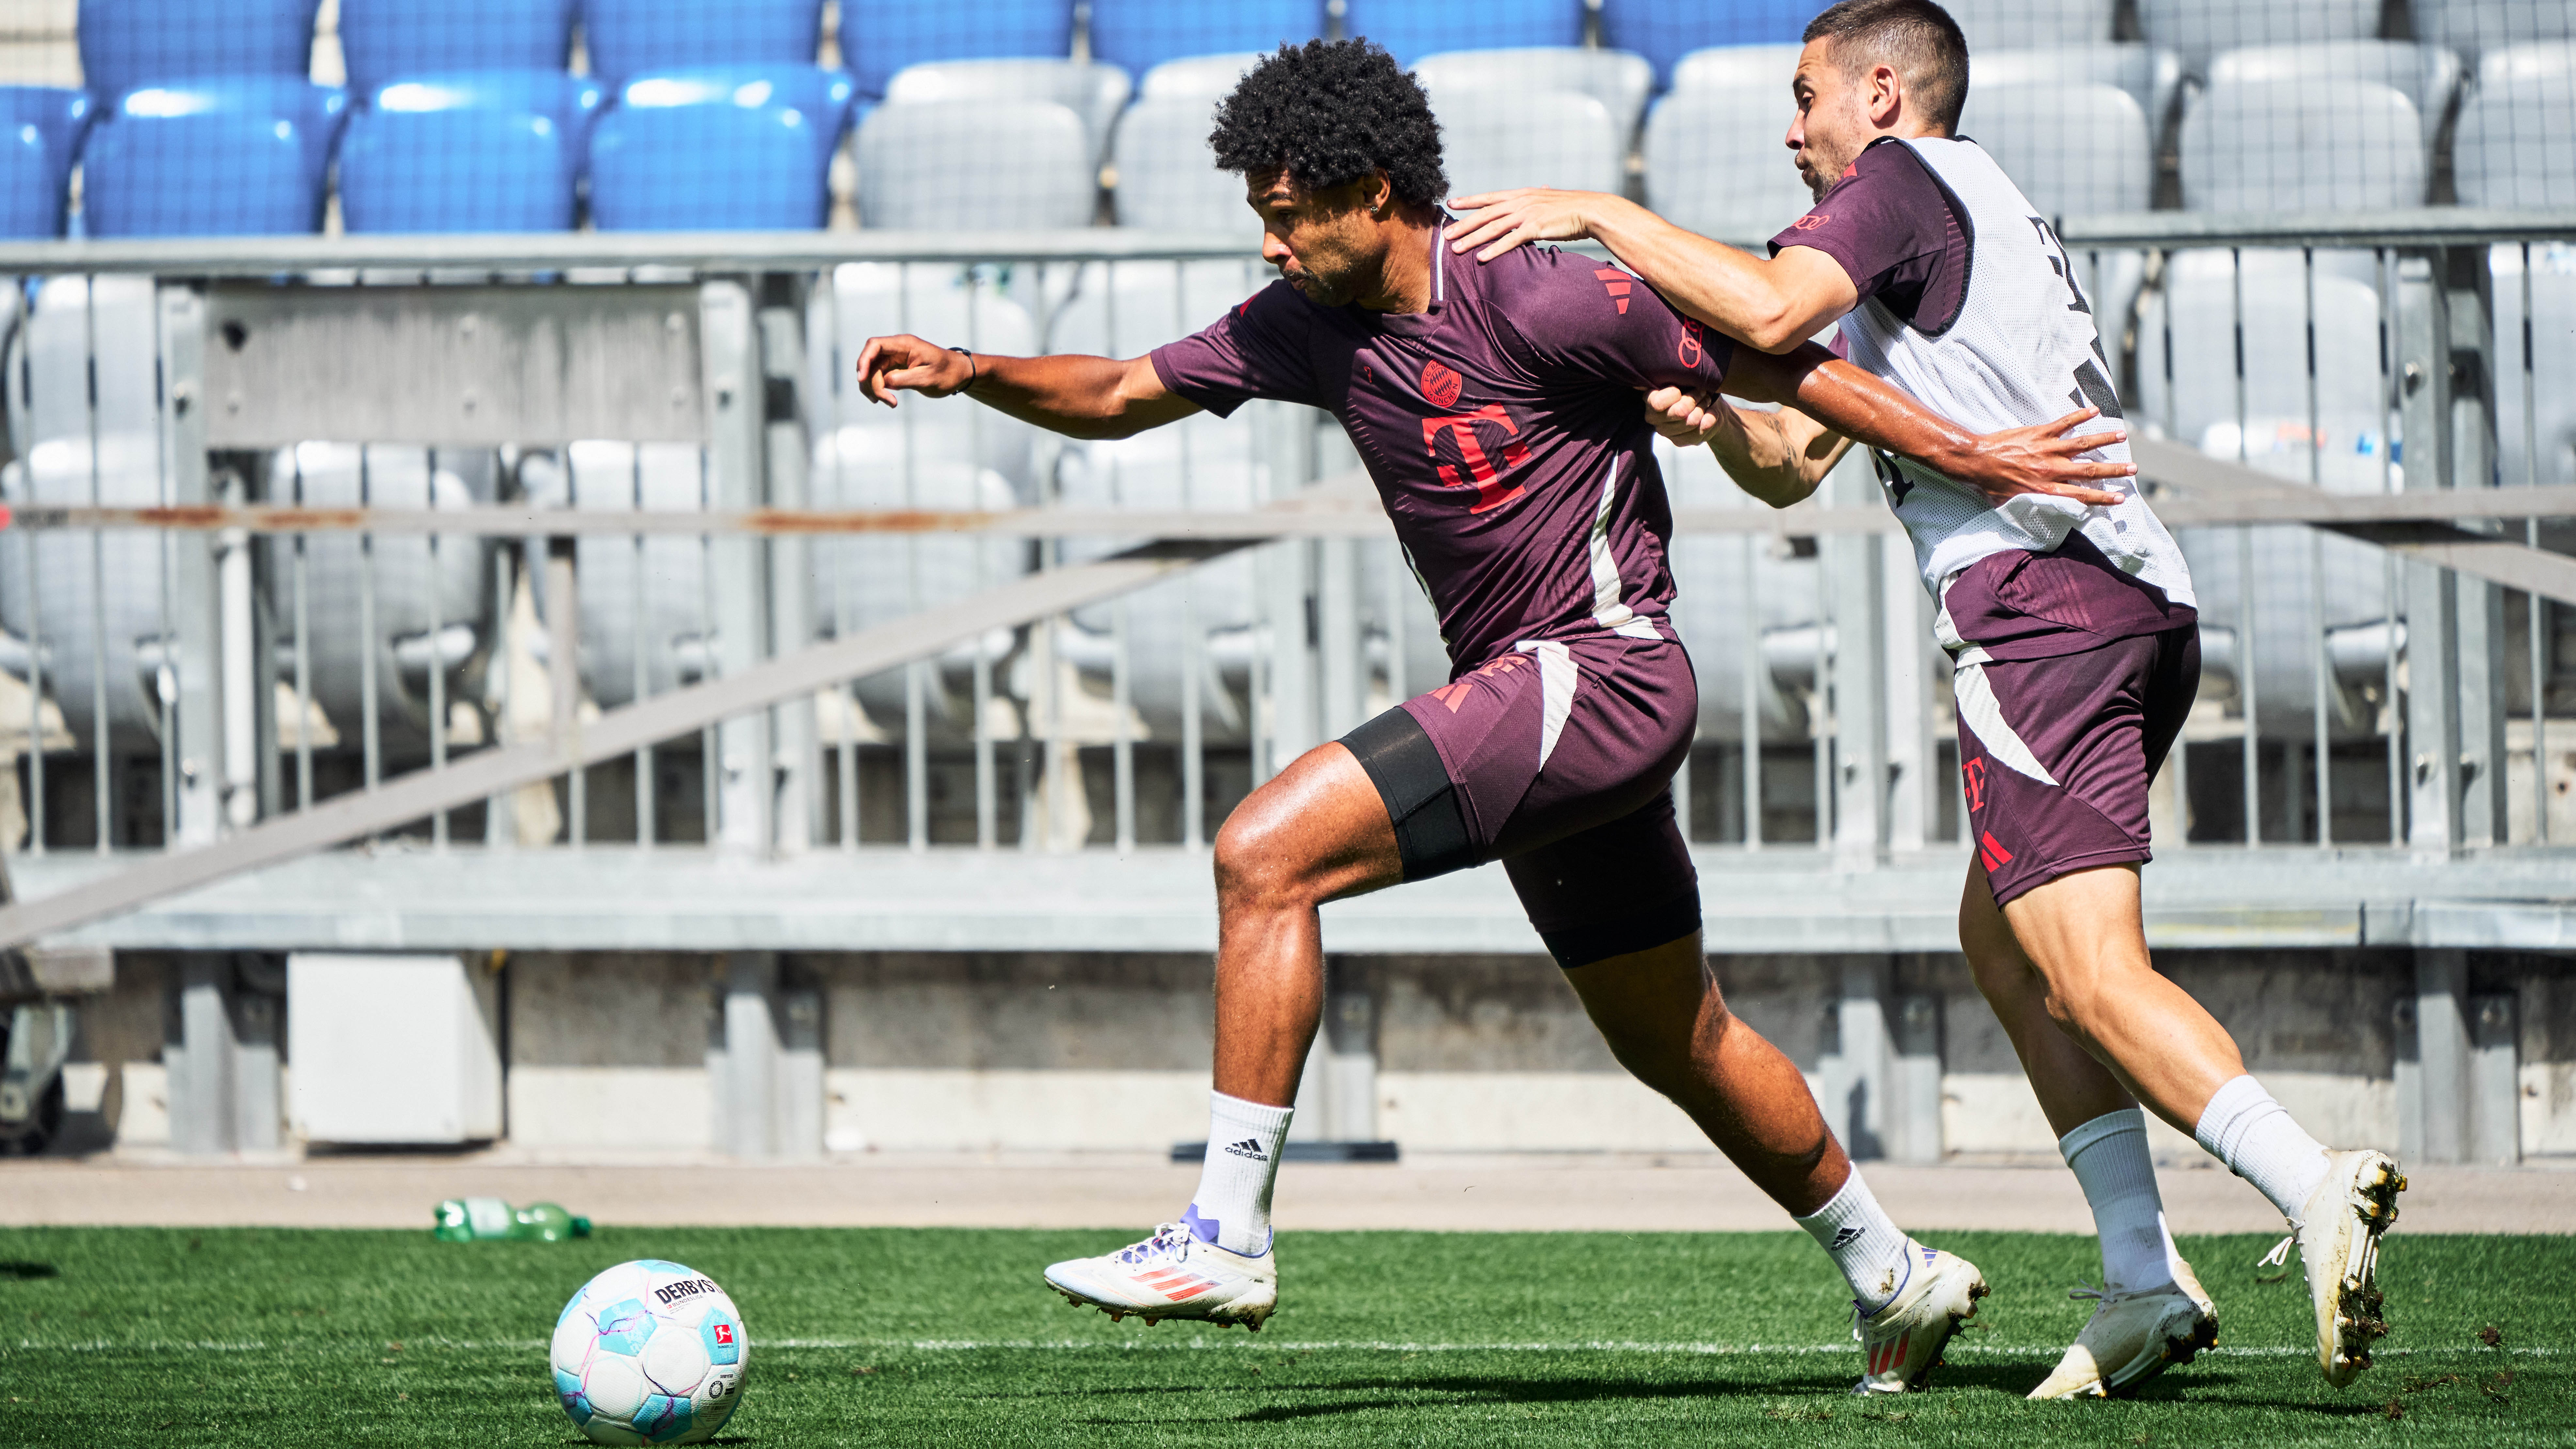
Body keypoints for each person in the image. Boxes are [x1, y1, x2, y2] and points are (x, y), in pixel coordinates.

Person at [856, 38, 2135, 1395]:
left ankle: (1225, 1229)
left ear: (1374, 192)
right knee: (1673, 1037)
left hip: (1605, 667)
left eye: (1289, 212)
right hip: (1544, 708)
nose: (1273, 242)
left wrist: (1973, 450)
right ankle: (1893, 1272)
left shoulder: (1540, 290)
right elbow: (1119, 395)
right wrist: (970, 367)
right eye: (1261, 219)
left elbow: (1787, 369)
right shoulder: (1302, 323)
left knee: (1261, 854)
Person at [1445, 0, 2405, 1398]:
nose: (1790, 130)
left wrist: (1598, 210)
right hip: (2128, 605)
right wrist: (1718, 428)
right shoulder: (1956, 219)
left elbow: (1769, 309)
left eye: (1804, 97)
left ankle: (2310, 1185)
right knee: (2007, 947)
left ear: (1881, 93)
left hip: (2042, 617)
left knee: (2083, 966)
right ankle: (2139, 1277)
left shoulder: (1898, 185)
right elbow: (1792, 459)